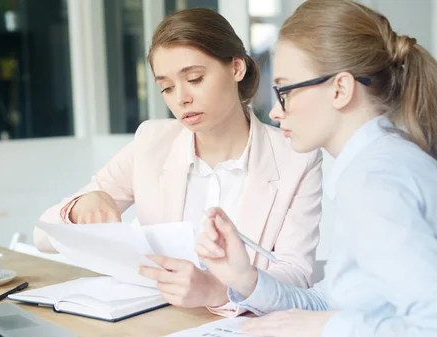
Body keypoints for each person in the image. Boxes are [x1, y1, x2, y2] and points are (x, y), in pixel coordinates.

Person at [192, 0, 437, 337]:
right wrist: (246, 279)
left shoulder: (375, 180)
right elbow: (337, 301)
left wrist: (331, 329)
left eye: (285, 91)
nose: (275, 112)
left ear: (340, 89)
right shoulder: (379, 162)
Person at [35, 8, 323, 315]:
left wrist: (219, 291)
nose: (181, 98)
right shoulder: (152, 142)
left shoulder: (296, 158)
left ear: (236, 67)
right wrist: (80, 208)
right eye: (167, 88)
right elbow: (44, 237)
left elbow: (296, 275)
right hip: (159, 323)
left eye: (195, 79)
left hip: (243, 330)